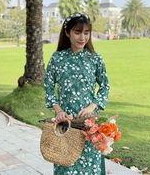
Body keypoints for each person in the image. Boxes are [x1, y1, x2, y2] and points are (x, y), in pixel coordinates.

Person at [44, 12, 110, 175]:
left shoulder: (95, 58)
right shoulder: (57, 58)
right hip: (65, 123)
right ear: (67, 33)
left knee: (90, 166)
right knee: (65, 163)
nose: (82, 37)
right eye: (77, 32)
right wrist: (58, 111)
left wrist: (92, 106)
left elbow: (105, 86)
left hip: (88, 125)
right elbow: (48, 87)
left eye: (86, 33)